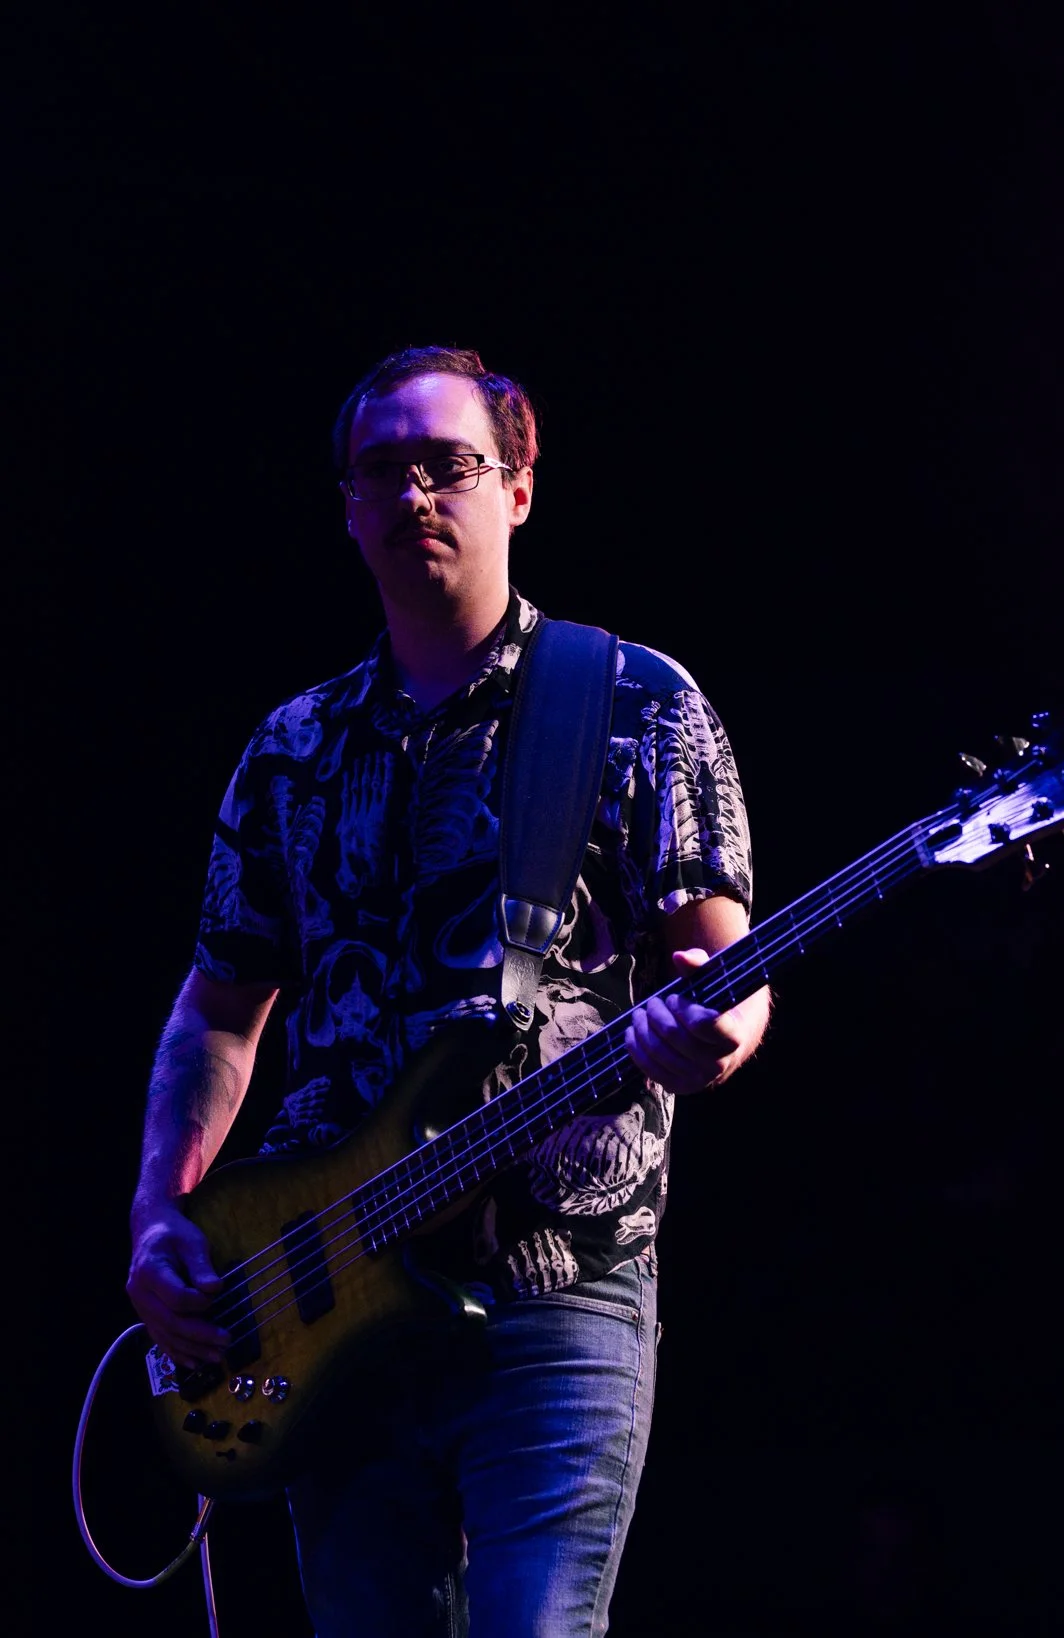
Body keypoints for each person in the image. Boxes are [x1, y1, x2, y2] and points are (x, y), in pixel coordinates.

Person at [124, 345, 772, 1635]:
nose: (419, 494)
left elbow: (728, 964)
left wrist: (718, 1034)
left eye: (452, 466)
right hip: (332, 1304)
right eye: (386, 472)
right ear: (349, 505)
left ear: (518, 491)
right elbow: (217, 1010)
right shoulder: (292, 749)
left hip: (559, 1283)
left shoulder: (636, 702)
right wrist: (161, 1211)